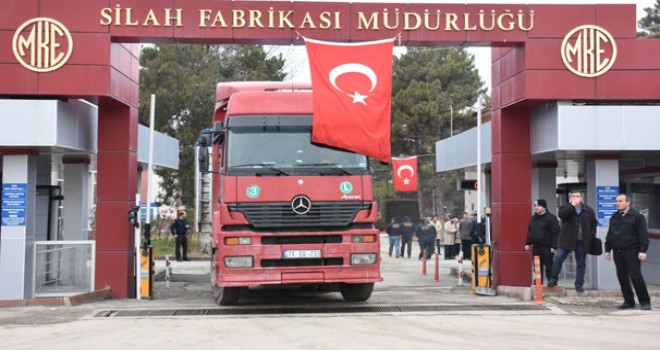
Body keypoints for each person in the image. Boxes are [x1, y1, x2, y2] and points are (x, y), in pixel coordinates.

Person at [605, 194, 651, 310]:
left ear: (628, 202)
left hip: (632, 251)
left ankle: (645, 301)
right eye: (616, 201)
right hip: (618, 252)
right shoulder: (615, 217)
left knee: (636, 276)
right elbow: (610, 234)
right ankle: (628, 301)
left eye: (620, 201)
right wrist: (607, 249)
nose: (618, 203)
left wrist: (643, 250)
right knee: (622, 277)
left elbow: (643, 236)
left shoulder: (636, 217)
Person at [547, 191, 597, 292]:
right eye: (573, 196)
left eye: (577, 196)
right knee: (558, 258)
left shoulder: (588, 210)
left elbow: (593, 224)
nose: (575, 198)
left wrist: (591, 236)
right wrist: (572, 206)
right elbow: (562, 215)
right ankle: (553, 279)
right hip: (566, 240)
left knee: (581, 263)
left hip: (581, 241)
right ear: (570, 198)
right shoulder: (565, 208)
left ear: (581, 198)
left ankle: (579, 284)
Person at [524, 199, 560, 284]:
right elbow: (530, 231)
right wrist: (528, 243)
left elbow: (555, 233)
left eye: (538, 206)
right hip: (536, 246)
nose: (536, 208)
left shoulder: (551, 218)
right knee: (537, 265)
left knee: (549, 265)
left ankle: (551, 280)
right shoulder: (534, 218)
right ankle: (538, 281)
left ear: (544, 207)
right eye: (535, 206)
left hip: (547, 246)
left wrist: (554, 246)